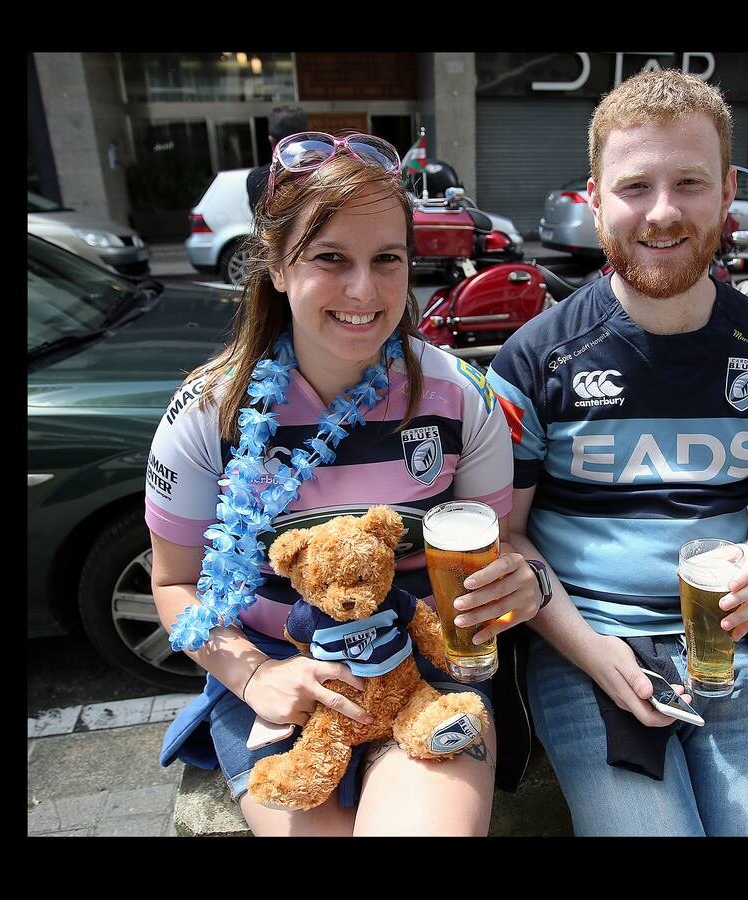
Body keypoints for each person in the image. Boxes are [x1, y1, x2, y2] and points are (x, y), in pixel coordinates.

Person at [147, 131, 545, 836]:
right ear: (273, 263)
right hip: (279, 680)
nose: (364, 290)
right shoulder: (209, 411)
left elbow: (499, 549)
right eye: (330, 258)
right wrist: (250, 677)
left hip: (424, 669)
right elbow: (173, 584)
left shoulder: (461, 397)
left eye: (386, 259)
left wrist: (513, 588)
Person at [485, 69, 748, 836]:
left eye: (690, 182)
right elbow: (506, 537)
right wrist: (590, 649)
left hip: (725, 647)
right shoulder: (532, 361)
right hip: (586, 647)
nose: (664, 211)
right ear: (596, 196)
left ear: (729, 189)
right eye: (636, 185)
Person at [246, 105, 309, 213]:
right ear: (308, 136)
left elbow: (260, 222)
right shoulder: (325, 170)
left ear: (271, 141)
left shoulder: (256, 178)